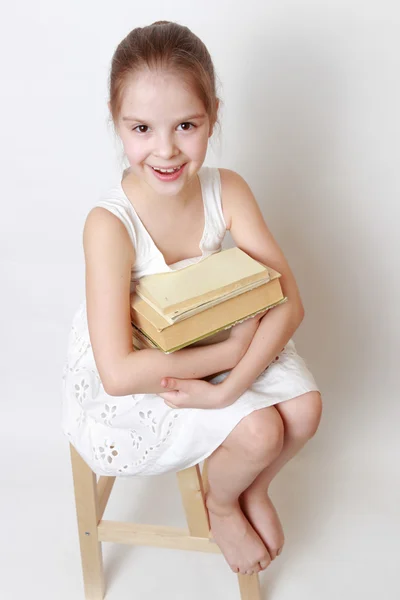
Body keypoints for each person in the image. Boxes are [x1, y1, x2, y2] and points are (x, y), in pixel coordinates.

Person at [61, 20, 322, 576]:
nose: (165, 150)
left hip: (213, 326)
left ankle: (247, 488)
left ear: (213, 117)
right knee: (261, 430)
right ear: (117, 124)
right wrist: (226, 363)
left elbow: (288, 301)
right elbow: (119, 373)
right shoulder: (109, 225)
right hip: (144, 359)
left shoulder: (226, 189)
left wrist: (230, 387)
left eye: (186, 125)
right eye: (141, 128)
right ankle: (221, 504)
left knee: (305, 409)